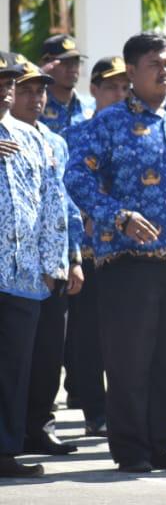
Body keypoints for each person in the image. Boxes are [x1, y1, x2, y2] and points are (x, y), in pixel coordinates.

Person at [63, 32, 166, 473]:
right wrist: (118, 216)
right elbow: (76, 178)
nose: (165, 71)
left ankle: (164, 442)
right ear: (131, 72)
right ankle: (131, 448)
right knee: (130, 360)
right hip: (127, 261)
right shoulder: (109, 122)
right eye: (154, 63)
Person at [10, 57, 84, 458]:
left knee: (48, 354)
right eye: (25, 90)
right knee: (14, 357)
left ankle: (39, 425)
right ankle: (12, 431)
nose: (35, 98)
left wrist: (73, 257)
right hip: (16, 266)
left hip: (52, 264)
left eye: (40, 90)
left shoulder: (55, 141)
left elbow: (65, 204)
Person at [0, 53, 69, 478]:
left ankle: (5, 449)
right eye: (3, 80)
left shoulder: (34, 138)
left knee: (13, 369)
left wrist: (53, 262)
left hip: (21, 273)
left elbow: (52, 204)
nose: (7, 86)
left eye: (10, 79)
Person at [62, 56, 129, 438]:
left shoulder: (136, 133)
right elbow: (65, 193)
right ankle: (94, 410)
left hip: (126, 251)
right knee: (87, 337)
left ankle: (123, 409)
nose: (118, 94)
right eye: (110, 87)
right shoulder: (74, 136)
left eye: (124, 87)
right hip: (87, 251)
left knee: (126, 335)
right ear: (94, 90)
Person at [37, 34, 90, 135]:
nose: (72, 68)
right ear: (45, 64)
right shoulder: (35, 105)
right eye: (65, 62)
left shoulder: (90, 106)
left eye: (76, 62)